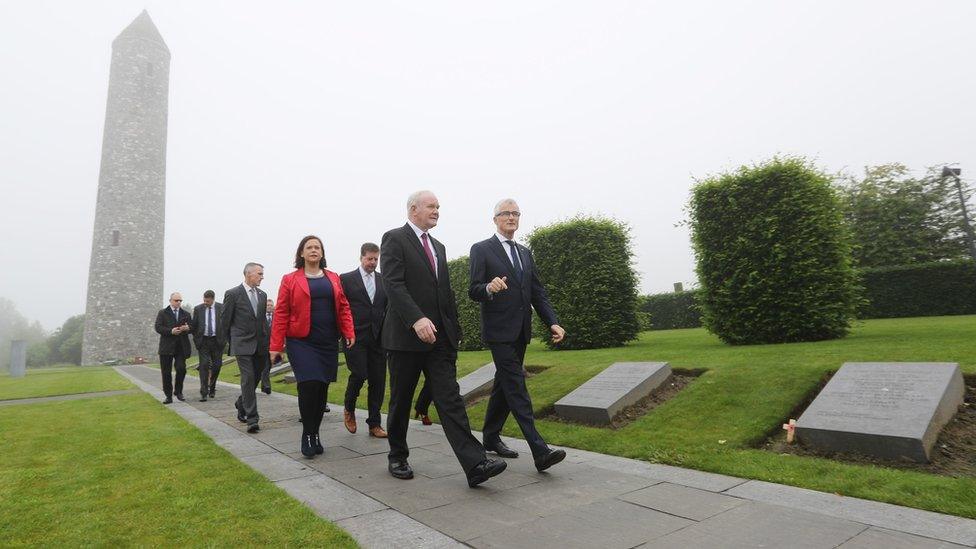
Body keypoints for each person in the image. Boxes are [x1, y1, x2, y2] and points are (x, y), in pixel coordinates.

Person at [381, 190, 506, 487]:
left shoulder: (439, 247)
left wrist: (454, 331)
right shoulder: (394, 238)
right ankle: (397, 456)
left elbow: (444, 294)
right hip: (405, 340)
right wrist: (416, 319)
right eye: (431, 206)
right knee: (401, 399)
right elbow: (394, 284)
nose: (437, 210)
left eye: (438, 207)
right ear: (414, 209)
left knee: (450, 400)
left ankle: (476, 464)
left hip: (439, 341)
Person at [469, 198, 567, 472]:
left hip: (521, 330)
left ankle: (490, 436)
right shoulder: (481, 249)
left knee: (504, 384)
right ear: (495, 219)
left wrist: (553, 322)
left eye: (515, 213)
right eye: (506, 213)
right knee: (515, 385)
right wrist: (489, 286)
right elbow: (473, 289)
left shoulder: (524, 252)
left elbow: (537, 291)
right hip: (498, 332)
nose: (511, 217)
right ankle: (539, 450)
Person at [270, 235, 355, 458]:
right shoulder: (290, 279)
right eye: (309, 247)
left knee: (321, 389)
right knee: (308, 386)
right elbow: (281, 312)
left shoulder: (334, 278)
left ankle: (316, 432)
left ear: (322, 253)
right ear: (301, 253)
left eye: (318, 247)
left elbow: (344, 307)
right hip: (301, 341)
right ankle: (307, 434)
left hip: (327, 341)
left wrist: (349, 331)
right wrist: (276, 345)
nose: (314, 250)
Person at [340, 242, 389, 437]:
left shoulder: (383, 279)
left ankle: (374, 424)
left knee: (378, 381)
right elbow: (340, 308)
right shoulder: (346, 279)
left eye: (376, 259)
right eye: (370, 259)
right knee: (359, 373)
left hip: (378, 338)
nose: (373, 263)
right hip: (354, 337)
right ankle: (349, 407)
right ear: (361, 257)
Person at [221, 263, 271, 433]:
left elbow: (262, 321)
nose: (262, 277)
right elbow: (225, 321)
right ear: (248, 274)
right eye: (260, 273)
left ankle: (241, 403)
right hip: (242, 344)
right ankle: (252, 419)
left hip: (260, 345)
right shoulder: (233, 294)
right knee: (248, 378)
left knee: (255, 379)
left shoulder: (263, 295)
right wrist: (233, 341)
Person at [154, 292, 192, 404]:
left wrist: (187, 327)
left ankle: (178, 391)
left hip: (181, 346)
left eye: (180, 300)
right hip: (166, 347)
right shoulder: (162, 313)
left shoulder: (186, 313)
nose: (179, 302)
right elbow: (158, 327)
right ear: (170, 301)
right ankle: (168, 396)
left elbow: (192, 326)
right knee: (166, 373)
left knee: (181, 369)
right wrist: (171, 331)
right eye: (176, 300)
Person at [191, 290, 224, 401]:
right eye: (204, 300)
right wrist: (196, 339)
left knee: (217, 366)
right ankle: (204, 392)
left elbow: (226, 323)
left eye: (208, 301)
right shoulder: (198, 309)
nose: (205, 303)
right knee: (204, 366)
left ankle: (212, 387)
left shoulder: (221, 308)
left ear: (213, 299)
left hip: (217, 341)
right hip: (203, 341)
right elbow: (194, 325)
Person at [260, 298, 275, 394]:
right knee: (265, 365)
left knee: (269, 365)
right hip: (263, 344)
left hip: (273, 345)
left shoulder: (276, 317)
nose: (269, 307)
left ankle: (263, 385)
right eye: (267, 305)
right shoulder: (261, 317)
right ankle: (267, 386)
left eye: (271, 305)